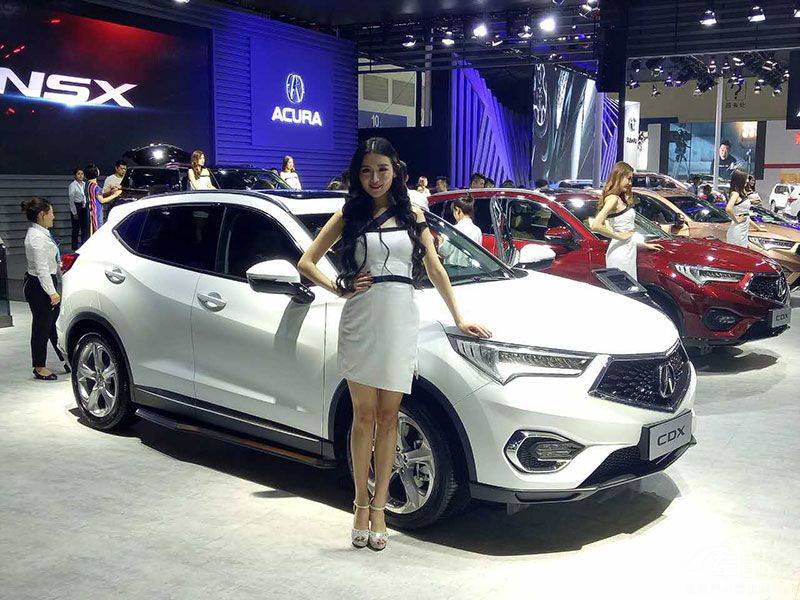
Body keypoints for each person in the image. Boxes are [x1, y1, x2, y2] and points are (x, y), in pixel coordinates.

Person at [297, 137, 491, 551]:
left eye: (382, 170)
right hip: (361, 319)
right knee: (363, 418)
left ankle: (380, 508)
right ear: (357, 174)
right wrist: (339, 286)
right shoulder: (349, 213)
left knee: (389, 419)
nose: (374, 178)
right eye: (366, 171)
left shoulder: (413, 214)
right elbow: (306, 262)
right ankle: (359, 506)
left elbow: (435, 268)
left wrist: (459, 317)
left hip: (401, 320)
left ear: (396, 171)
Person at [21, 197, 68, 381]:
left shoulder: (41, 233)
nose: (53, 217)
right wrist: (52, 292)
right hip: (40, 286)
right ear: (42, 214)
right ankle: (39, 366)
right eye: (51, 213)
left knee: (52, 326)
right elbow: (41, 270)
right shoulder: (36, 238)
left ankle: (66, 359)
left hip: (44, 283)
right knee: (42, 327)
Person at [591, 161, 662, 281]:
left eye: (631, 179)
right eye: (628, 179)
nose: (630, 183)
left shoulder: (619, 199)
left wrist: (643, 245)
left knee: (628, 287)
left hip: (627, 250)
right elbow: (595, 225)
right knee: (624, 288)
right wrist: (618, 236)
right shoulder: (613, 199)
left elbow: (626, 231)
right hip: (620, 253)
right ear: (619, 176)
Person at [439, 194, 484, 267]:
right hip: (471, 271)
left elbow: (444, 252)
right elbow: (478, 255)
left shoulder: (453, 229)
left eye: (453, 211)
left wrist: (441, 242)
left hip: (453, 270)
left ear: (457, 210)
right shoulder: (477, 230)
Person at [725, 169, 765, 246]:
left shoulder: (742, 193)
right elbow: (728, 209)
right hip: (737, 231)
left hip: (743, 231)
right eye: (746, 178)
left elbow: (746, 216)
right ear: (740, 180)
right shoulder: (735, 194)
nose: (747, 181)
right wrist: (736, 220)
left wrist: (758, 228)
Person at [85, 164, 122, 236]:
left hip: (90, 212)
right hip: (96, 213)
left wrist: (110, 192)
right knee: (97, 232)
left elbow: (97, 196)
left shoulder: (88, 185)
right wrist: (115, 195)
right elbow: (101, 200)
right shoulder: (96, 187)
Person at [68, 167, 87, 249]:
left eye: (82, 174)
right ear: (75, 175)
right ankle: (74, 247)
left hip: (84, 207)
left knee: (84, 228)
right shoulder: (72, 185)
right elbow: (71, 199)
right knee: (75, 229)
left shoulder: (85, 184)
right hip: (76, 206)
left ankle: (84, 246)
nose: (80, 175)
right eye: (78, 174)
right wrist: (74, 212)